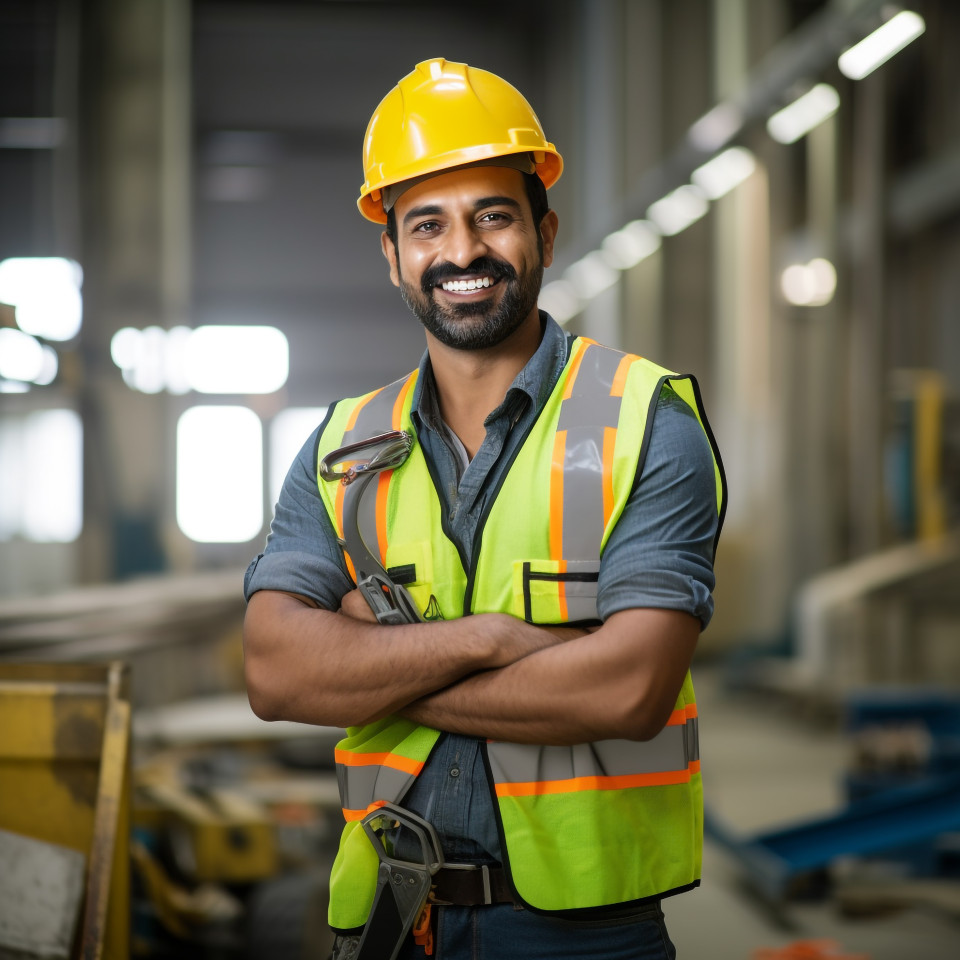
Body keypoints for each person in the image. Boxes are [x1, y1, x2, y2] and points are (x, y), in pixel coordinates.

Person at [243, 58, 726, 960]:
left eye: (491, 216)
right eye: (426, 225)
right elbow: (277, 675)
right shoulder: (342, 444)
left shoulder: (644, 421)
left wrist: (371, 663)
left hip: (585, 933)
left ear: (543, 230)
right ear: (392, 254)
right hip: (389, 922)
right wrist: (493, 639)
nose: (461, 251)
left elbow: (629, 688)